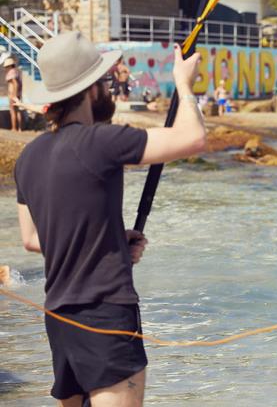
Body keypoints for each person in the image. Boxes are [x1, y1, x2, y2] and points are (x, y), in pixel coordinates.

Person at [14, 31, 206, 407]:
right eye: (104, 80)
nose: (108, 88)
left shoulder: (29, 157)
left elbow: (32, 239)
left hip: (59, 319)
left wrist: (111, 238)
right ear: (90, 89)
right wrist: (183, 83)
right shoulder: (101, 140)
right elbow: (193, 138)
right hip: (105, 315)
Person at [4, 56, 23, 131]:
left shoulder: (11, 72)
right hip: (17, 94)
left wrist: (13, 95)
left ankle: (14, 128)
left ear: (9, 66)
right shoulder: (16, 71)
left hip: (13, 94)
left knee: (13, 111)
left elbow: (15, 84)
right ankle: (20, 128)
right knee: (18, 111)